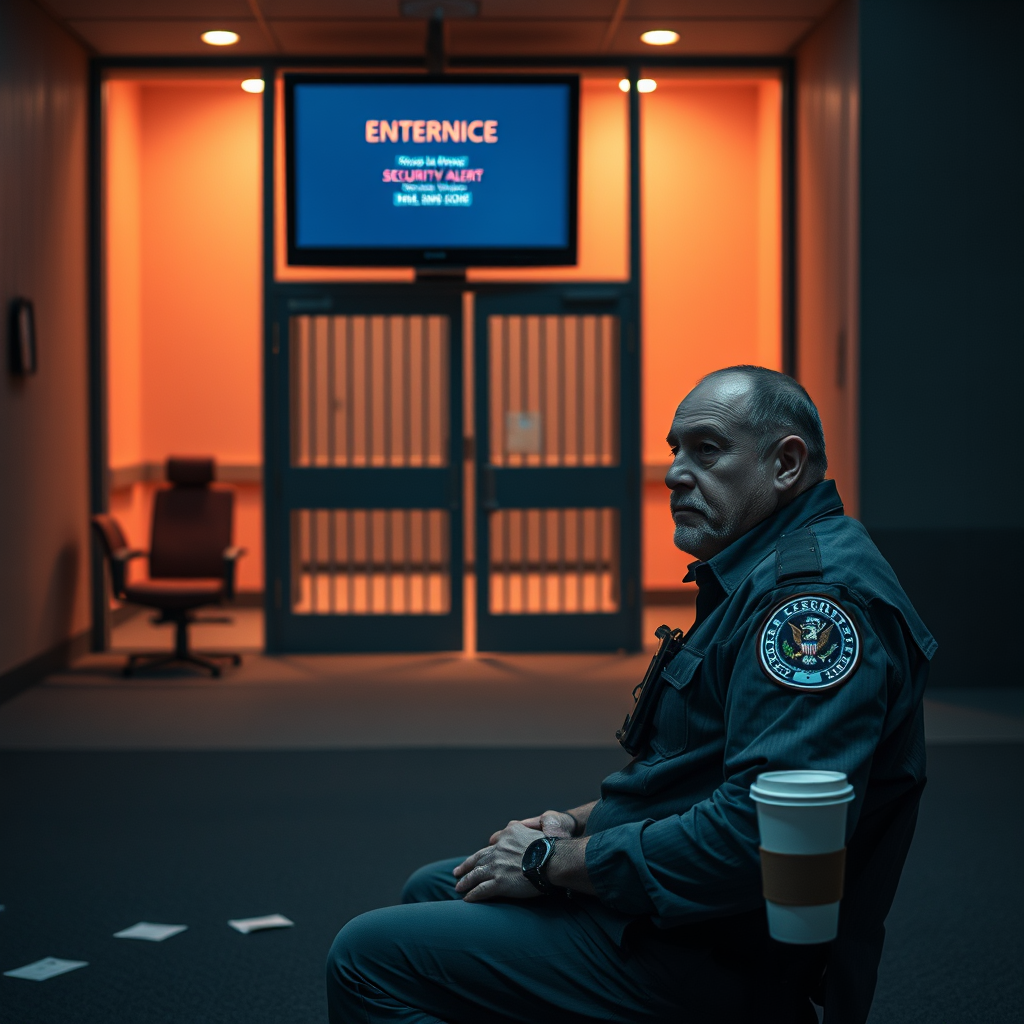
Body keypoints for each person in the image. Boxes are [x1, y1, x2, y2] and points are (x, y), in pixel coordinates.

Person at [326, 366, 936, 1024]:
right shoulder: (758, 572)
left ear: (785, 464)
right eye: (675, 450)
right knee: (440, 887)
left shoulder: (810, 605)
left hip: (710, 951)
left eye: (706, 450)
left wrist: (546, 861)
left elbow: (763, 841)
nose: (675, 473)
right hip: (677, 910)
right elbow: (693, 769)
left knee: (365, 957)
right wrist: (574, 822)